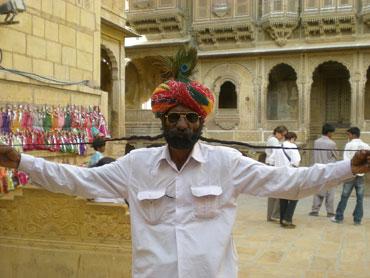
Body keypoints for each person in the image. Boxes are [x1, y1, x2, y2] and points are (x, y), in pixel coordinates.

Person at [1, 47, 370, 278]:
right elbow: (74, 181)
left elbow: (291, 183)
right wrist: (21, 160)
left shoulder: (226, 163)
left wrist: (348, 167)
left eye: (190, 118)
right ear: (162, 121)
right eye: (174, 117)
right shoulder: (136, 165)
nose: (182, 124)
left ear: (201, 123)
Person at [331, 127, 370, 225]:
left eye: (349, 134)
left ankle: (339, 217)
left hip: (350, 174)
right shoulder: (366, 145)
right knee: (360, 198)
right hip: (361, 174)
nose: (348, 136)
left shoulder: (349, 145)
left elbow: (346, 161)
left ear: (353, 135)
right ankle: (357, 220)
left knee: (344, 196)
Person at [270, 132, 301, 228]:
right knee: (294, 197)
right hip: (290, 174)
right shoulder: (293, 146)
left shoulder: (278, 146)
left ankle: (282, 219)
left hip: (279, 175)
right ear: (292, 138)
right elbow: (296, 161)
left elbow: (271, 160)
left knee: (283, 198)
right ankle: (287, 219)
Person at [309, 123, 339, 217]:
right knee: (330, 191)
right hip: (329, 169)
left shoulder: (316, 142)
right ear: (329, 132)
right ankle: (330, 212)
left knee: (317, 189)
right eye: (332, 132)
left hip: (318, 168)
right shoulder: (332, 143)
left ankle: (315, 210)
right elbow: (336, 155)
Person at [265, 125, 288, 222]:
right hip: (274, 166)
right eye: (282, 135)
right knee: (276, 191)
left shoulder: (272, 139)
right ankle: (274, 214)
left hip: (272, 166)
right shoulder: (274, 140)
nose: (283, 137)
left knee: (273, 192)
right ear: (278, 133)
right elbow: (278, 154)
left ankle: (271, 215)